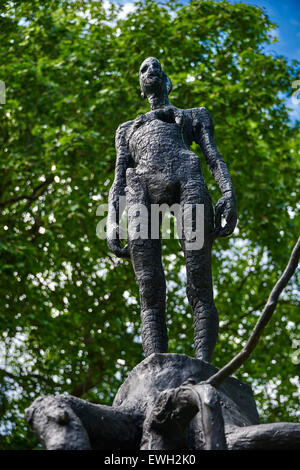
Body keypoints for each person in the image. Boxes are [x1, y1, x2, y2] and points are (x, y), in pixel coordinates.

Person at [107, 57, 237, 363]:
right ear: (141, 86)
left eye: (157, 67)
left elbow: (213, 157)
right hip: (140, 190)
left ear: (168, 82)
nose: (151, 70)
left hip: (187, 180)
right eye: (143, 69)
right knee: (149, 285)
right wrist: (112, 221)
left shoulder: (193, 116)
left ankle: (204, 365)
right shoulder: (126, 129)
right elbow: (118, 178)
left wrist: (228, 192)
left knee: (199, 277)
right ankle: (155, 365)